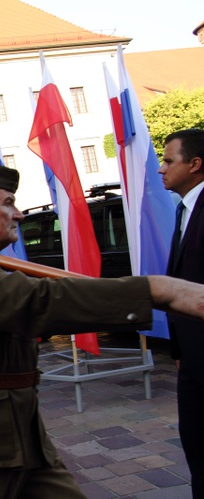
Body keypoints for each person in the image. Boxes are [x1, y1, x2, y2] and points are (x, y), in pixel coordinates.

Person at [0, 163, 204, 499]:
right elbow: (39, 303)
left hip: (17, 432)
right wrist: (156, 290)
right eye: (8, 203)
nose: (19, 214)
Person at [159, 128, 204, 498]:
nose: (161, 168)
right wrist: (178, 350)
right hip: (191, 358)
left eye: (168, 160)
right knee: (196, 446)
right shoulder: (183, 209)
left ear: (195, 164)